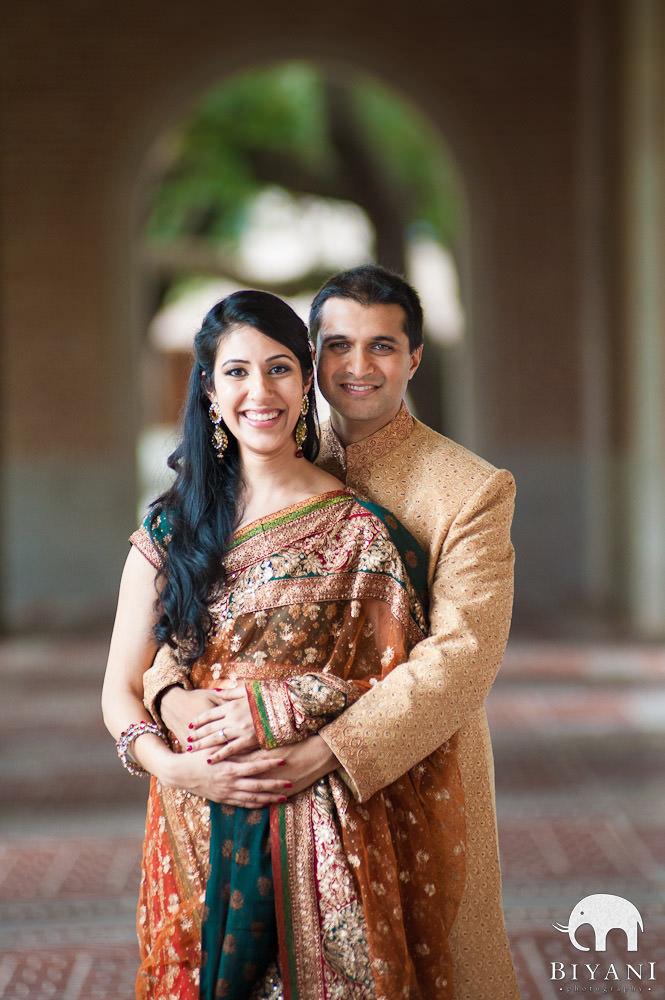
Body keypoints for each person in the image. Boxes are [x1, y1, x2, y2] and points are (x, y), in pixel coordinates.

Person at [149, 266, 520, 999]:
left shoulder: (467, 488)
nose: (357, 366)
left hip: (409, 767)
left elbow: (460, 660)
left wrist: (326, 750)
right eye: (337, 346)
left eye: (381, 347)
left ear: (414, 359)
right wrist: (168, 699)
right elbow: (190, 611)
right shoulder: (271, 459)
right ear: (312, 358)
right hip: (251, 792)